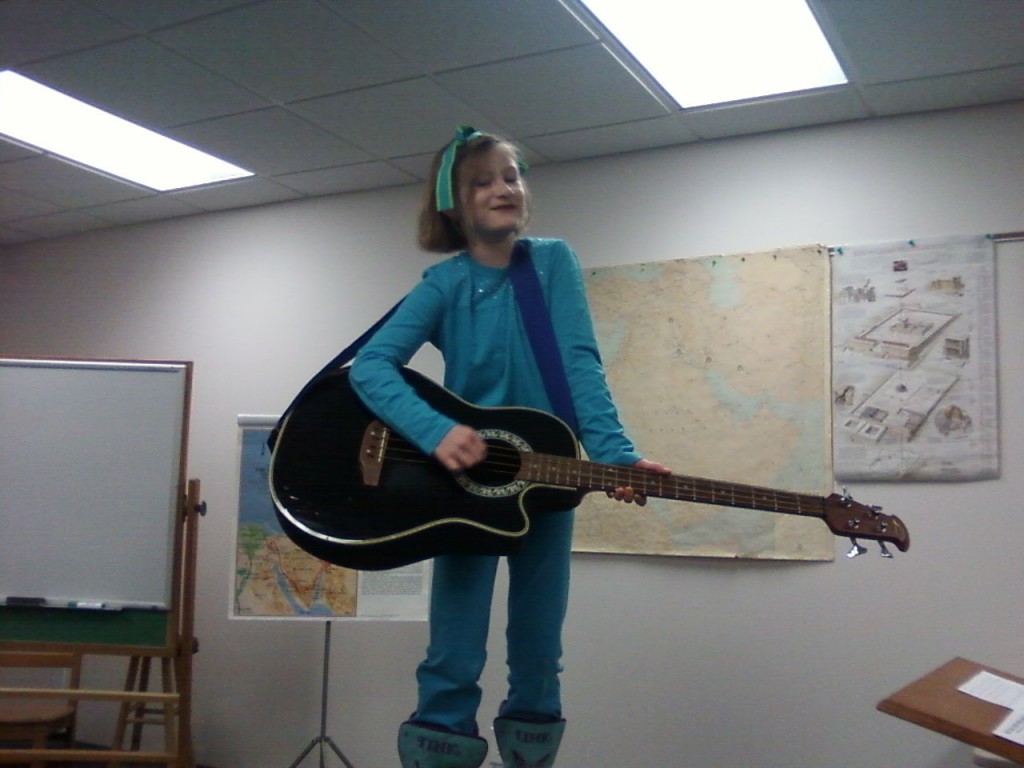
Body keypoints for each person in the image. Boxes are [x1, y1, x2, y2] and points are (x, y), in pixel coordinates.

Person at [349, 126, 669, 768]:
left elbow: (581, 364)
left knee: (538, 645)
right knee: (454, 648)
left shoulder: (552, 262)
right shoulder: (442, 285)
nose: (503, 188)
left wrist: (613, 453)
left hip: (550, 479)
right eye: (483, 180)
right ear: (454, 205)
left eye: (512, 175)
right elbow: (370, 367)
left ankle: (530, 754)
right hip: (467, 489)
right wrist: (437, 431)